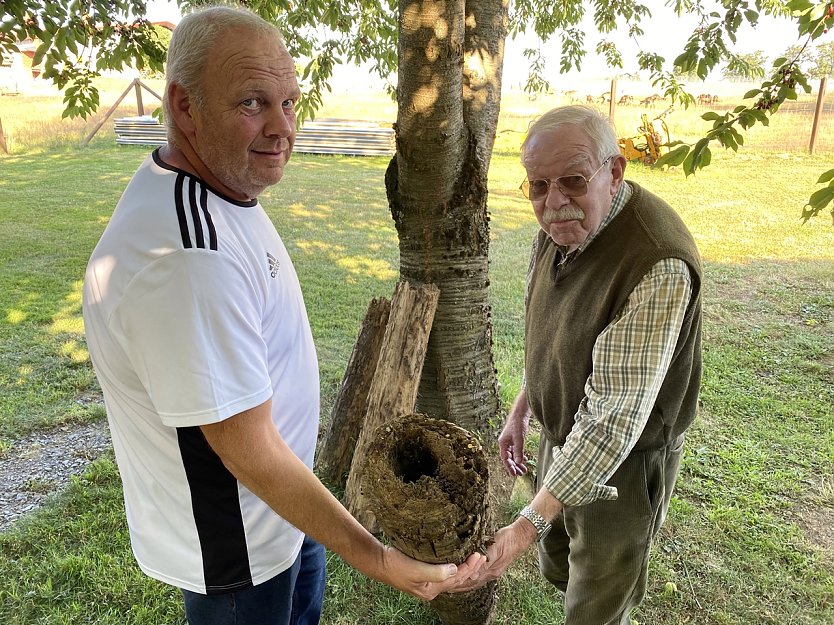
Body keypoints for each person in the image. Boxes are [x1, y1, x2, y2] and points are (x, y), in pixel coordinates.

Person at [81, 6, 483, 625]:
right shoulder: (189, 261)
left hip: (287, 514)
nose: (281, 128)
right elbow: (249, 451)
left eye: (289, 102)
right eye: (251, 103)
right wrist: (376, 557)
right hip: (241, 552)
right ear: (185, 107)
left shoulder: (223, 187)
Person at [459, 105, 703, 625]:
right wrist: (523, 407)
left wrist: (524, 526)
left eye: (573, 180)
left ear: (614, 171)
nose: (554, 204)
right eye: (538, 186)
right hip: (561, 432)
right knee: (562, 565)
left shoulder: (656, 261)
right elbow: (548, 327)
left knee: (596, 601)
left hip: (624, 462)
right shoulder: (554, 226)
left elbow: (613, 420)